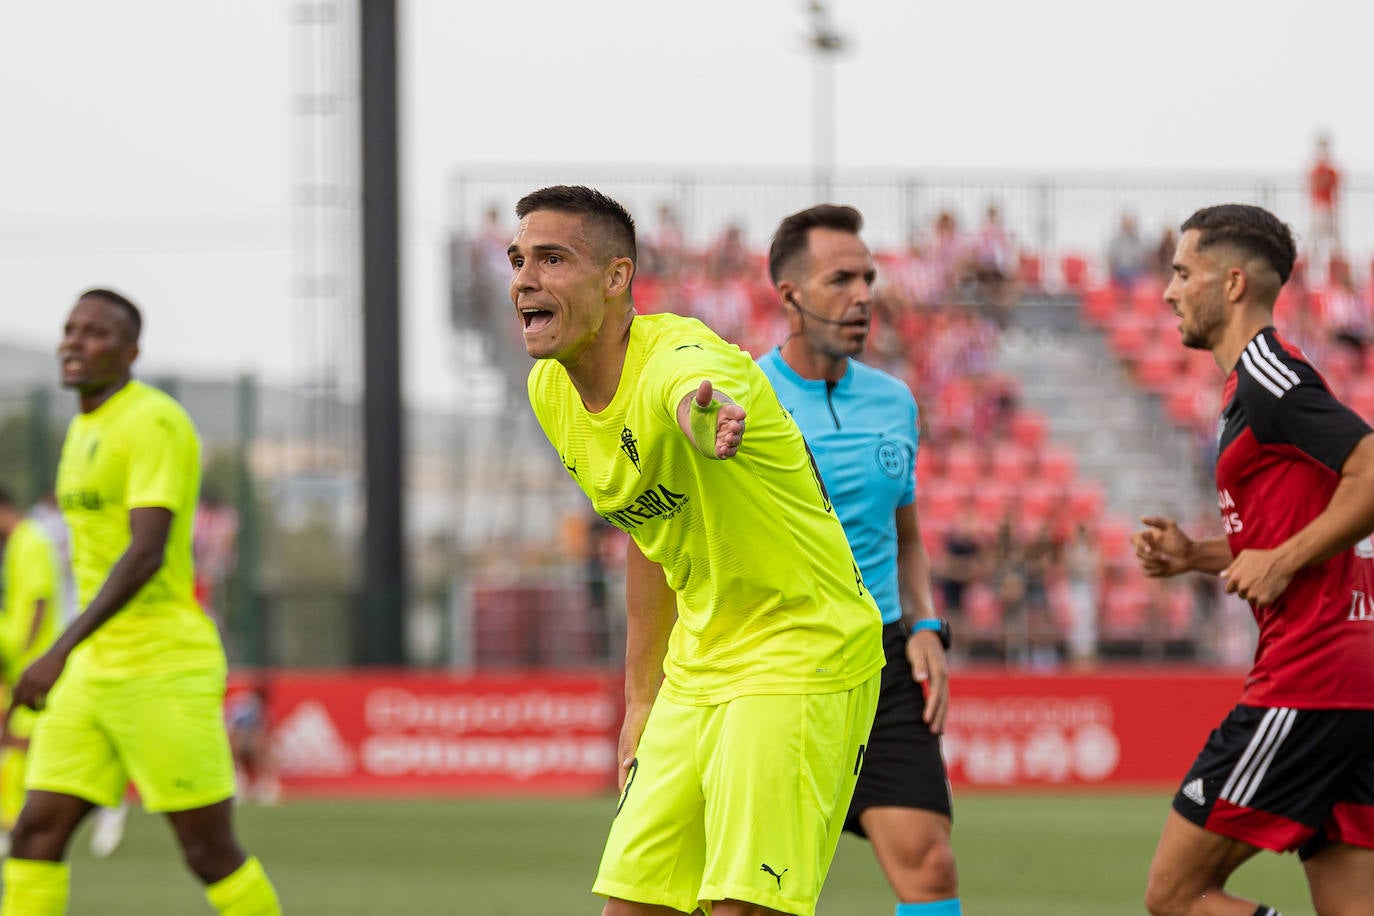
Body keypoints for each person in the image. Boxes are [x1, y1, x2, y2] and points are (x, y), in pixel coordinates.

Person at [512, 186, 883, 916]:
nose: (525, 278)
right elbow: (649, 536)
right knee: (632, 906)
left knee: (743, 908)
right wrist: (640, 697)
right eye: (518, 259)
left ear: (617, 278)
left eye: (552, 258)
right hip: (696, 666)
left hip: (800, 650)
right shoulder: (549, 391)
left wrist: (699, 413)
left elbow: (691, 387)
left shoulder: (681, 357)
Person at [2, 289, 281, 915]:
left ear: (131, 352)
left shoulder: (154, 421)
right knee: (34, 834)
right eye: (70, 329)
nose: (74, 342)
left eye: (95, 333)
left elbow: (145, 553)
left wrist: (55, 651)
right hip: (90, 674)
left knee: (208, 851)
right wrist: (72, 658)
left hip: (161, 665)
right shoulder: (81, 429)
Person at [1132, 204, 1374, 916]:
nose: (1170, 290)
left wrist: (1281, 560)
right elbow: (1299, 527)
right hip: (1353, 679)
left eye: (1182, 272)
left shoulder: (1268, 375)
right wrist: (1199, 555)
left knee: (1175, 895)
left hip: (1311, 675)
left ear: (1232, 283)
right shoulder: (1254, 387)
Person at [756, 204, 961, 916]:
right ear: (789, 295)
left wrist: (926, 624)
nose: (864, 294)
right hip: (777, 665)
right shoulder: (743, 400)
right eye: (841, 278)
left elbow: (904, 536)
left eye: (869, 277)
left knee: (930, 866)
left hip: (882, 661)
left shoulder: (895, 402)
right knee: (758, 887)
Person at [0, 488, 63, 850]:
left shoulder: (32, 541)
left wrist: (25, 653)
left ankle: (21, 824)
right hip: (18, 662)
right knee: (17, 749)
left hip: (30, 666)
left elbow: (40, 600)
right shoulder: (19, 543)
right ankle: (15, 825)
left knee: (23, 746)